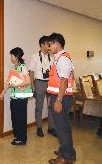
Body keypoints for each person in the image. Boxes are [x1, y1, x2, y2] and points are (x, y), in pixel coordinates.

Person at [47, 33, 76, 164]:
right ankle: (67, 151)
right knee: (63, 126)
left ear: (57, 44)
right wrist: (52, 98)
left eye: (50, 44)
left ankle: (67, 157)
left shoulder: (63, 59)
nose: (49, 47)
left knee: (61, 128)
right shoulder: (59, 58)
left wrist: (58, 100)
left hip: (62, 98)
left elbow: (64, 81)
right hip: (59, 96)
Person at [0, 47, 33, 145]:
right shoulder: (14, 68)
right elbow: (9, 83)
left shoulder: (23, 67)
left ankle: (22, 139)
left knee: (20, 118)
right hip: (14, 97)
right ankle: (18, 136)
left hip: (21, 98)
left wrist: (16, 85)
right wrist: (2, 93)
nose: (10, 57)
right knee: (15, 117)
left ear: (17, 56)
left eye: (12, 56)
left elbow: (28, 81)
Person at [29, 36, 57, 137]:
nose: (49, 46)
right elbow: (31, 72)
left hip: (50, 82)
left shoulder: (52, 57)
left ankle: (51, 127)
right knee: (39, 107)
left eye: (50, 44)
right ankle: (39, 128)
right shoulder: (35, 56)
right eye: (47, 44)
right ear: (41, 45)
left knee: (51, 106)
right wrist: (32, 85)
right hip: (39, 83)